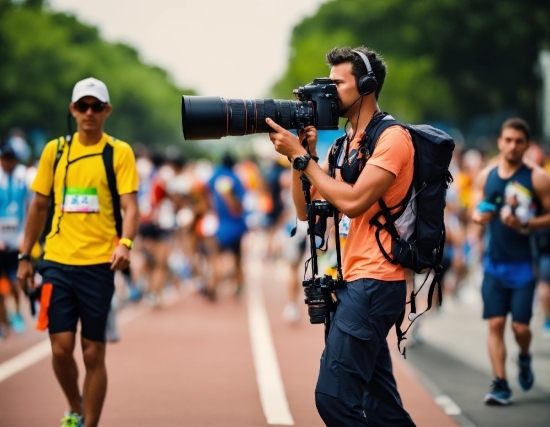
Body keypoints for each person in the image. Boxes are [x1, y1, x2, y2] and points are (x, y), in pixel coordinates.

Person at [268, 46, 416, 426]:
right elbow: (305, 209)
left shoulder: (392, 138)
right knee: (381, 405)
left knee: (333, 398)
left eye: (337, 83)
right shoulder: (345, 145)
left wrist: (303, 159)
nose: (328, 92)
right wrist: (303, 157)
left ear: (365, 86)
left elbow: (352, 202)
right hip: (353, 281)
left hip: (377, 280)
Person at [16, 77, 139, 427]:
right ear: (72, 110)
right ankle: (75, 405)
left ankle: (89, 424)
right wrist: (25, 257)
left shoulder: (119, 152)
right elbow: (39, 206)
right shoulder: (55, 151)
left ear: (106, 111)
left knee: (92, 352)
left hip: (99, 264)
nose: (89, 112)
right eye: (82, 106)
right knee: (59, 348)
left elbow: (131, 207)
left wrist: (126, 244)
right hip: (56, 261)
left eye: (96, 106)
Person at [471, 118, 550, 405]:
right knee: (495, 324)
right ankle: (500, 383)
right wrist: (479, 217)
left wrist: (525, 224)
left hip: (523, 267)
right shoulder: (486, 175)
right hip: (493, 265)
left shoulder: (538, 177)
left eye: (519, 141)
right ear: (500, 142)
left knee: (520, 329)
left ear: (527, 145)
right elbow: (477, 210)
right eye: (508, 140)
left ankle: (525, 357)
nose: (513, 146)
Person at [0, 143, 29, 338]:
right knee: (1, 287)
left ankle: (18, 313)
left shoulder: (24, 178)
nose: (7, 163)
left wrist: (25, 236)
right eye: (4, 159)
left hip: (17, 238)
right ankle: (2, 323)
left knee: (16, 281)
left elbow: (31, 208)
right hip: (0, 240)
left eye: (11, 159)